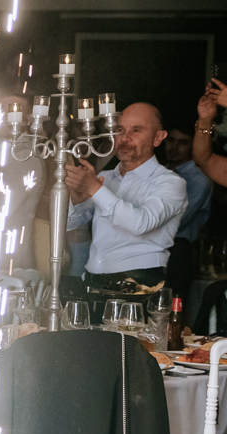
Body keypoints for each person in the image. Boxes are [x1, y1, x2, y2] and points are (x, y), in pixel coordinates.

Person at [66, 101, 187, 293]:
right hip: (92, 283)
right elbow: (71, 225)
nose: (124, 138)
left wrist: (94, 189)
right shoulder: (105, 177)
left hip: (141, 288)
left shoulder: (171, 183)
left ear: (158, 138)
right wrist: (77, 199)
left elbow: (141, 224)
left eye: (136, 130)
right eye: (120, 130)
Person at [165, 114, 214, 299]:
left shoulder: (199, 180)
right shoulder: (162, 170)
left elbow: (177, 222)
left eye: (183, 142)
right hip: (152, 248)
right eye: (171, 140)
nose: (174, 147)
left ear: (193, 145)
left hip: (177, 251)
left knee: (173, 308)